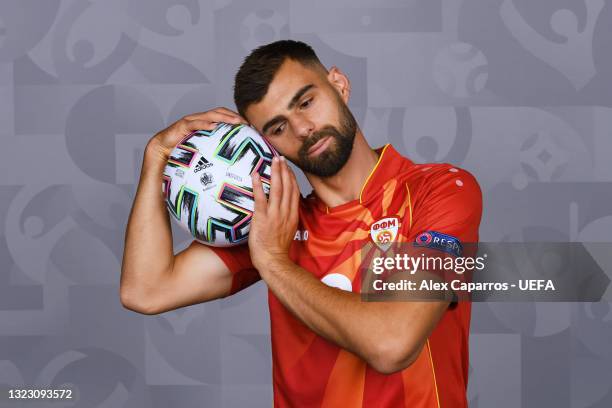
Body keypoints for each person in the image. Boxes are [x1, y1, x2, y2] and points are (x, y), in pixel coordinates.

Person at [120, 40, 482, 407]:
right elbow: (145, 291)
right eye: (278, 128)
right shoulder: (276, 223)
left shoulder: (438, 191)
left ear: (339, 84)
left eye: (306, 102)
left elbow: (393, 344)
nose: (303, 128)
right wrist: (156, 157)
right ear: (265, 147)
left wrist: (273, 263)